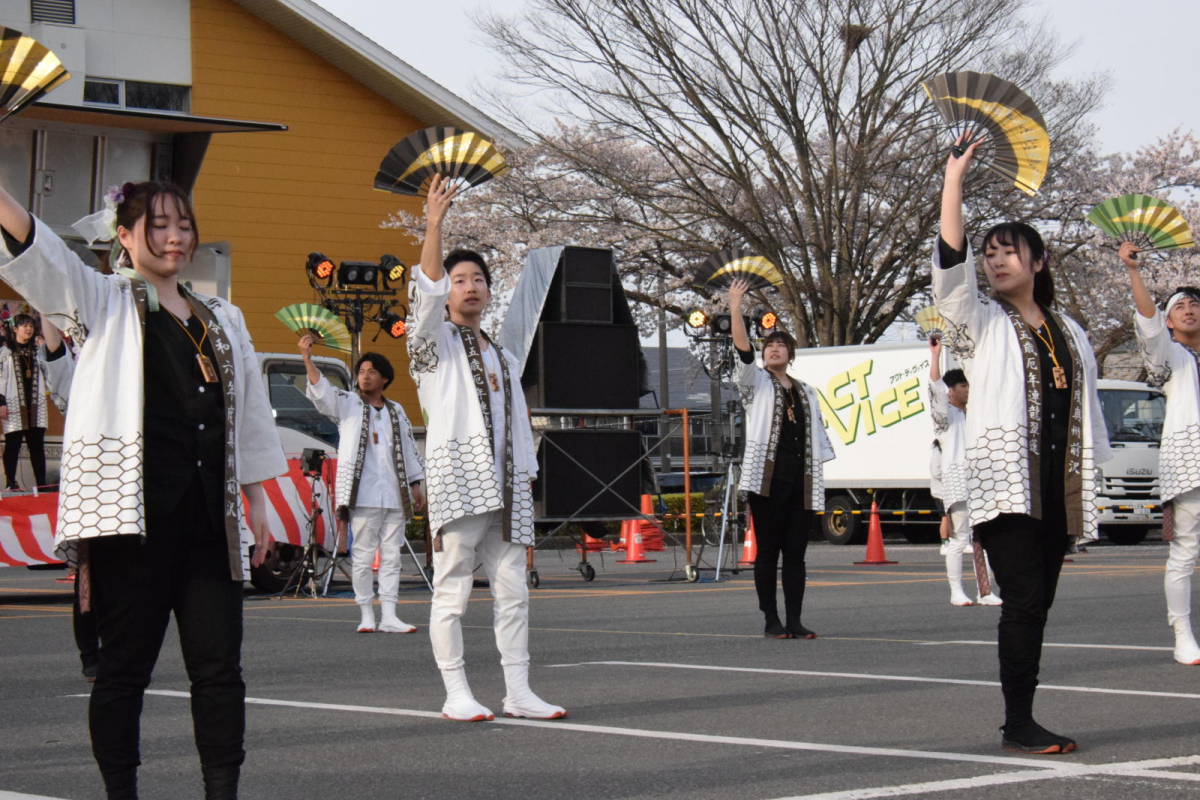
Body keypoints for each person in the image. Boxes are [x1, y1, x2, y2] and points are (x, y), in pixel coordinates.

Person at [0, 179, 287, 799]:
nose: (175, 237)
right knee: (123, 670)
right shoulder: (101, 299)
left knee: (219, 670)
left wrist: (258, 501)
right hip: (130, 520)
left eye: (183, 224)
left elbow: (253, 413)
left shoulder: (222, 317)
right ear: (123, 236)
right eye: (157, 225)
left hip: (210, 521)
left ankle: (222, 791)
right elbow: (37, 248)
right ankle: (121, 792)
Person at [933, 136, 1110, 754]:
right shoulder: (979, 322)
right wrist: (954, 180)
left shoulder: (1071, 330)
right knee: (1025, 603)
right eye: (990, 253)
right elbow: (949, 265)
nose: (996, 261)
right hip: (1006, 486)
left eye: (1010, 251)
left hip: (1058, 488)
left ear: (1039, 260)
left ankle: (1022, 718)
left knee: (1037, 607)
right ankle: (1019, 723)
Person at [408, 174, 565, 722]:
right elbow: (423, 295)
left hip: (505, 484)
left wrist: (523, 473)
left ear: (489, 290)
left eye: (478, 278)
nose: (469, 286)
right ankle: (456, 693)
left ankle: (518, 691)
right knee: (451, 591)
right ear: (445, 290)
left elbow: (515, 420)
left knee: (514, 591)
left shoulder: (496, 350)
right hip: (458, 479)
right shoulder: (431, 343)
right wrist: (433, 224)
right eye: (459, 279)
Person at [729, 278, 835, 639]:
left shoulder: (807, 391)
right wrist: (734, 305)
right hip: (766, 480)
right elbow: (742, 350)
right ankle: (770, 620)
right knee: (768, 552)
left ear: (791, 354)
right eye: (769, 345)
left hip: (801, 480)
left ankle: (795, 619)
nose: (774, 349)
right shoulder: (754, 382)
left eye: (781, 345)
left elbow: (817, 436)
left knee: (796, 554)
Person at [301, 338, 425, 633]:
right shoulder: (348, 403)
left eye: (371, 371)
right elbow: (322, 394)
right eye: (361, 371)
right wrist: (307, 358)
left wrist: (416, 483)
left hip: (395, 493)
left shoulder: (397, 411)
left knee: (392, 556)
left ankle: (391, 615)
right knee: (364, 554)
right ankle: (367, 613)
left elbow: (409, 449)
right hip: (363, 492)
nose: (365, 376)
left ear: (385, 378)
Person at [1119, 244, 1200, 666]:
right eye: (1180, 306)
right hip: (1190, 465)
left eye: (1195, 304)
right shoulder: (1171, 357)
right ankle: (1183, 634)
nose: (1189, 310)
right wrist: (1134, 272)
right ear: (1170, 321)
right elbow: (1148, 325)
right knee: (1185, 552)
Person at [927, 335, 1001, 607]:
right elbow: (934, 388)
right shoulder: (945, 419)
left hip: (983, 481)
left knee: (982, 537)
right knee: (959, 538)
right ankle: (956, 590)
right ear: (951, 391)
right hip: (958, 482)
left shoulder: (977, 414)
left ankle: (985, 590)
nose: (968, 388)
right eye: (962, 384)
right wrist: (935, 356)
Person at [0, 312, 50, 491]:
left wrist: (45, 350)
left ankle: (42, 485)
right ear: (15, 329)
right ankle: (11, 483)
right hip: (14, 403)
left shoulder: (38, 350)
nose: (28, 329)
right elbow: (1, 378)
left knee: (37, 445)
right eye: (24, 326)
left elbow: (49, 373)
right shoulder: (6, 352)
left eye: (31, 326)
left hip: (35, 404)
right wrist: (1, 402)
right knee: (12, 444)